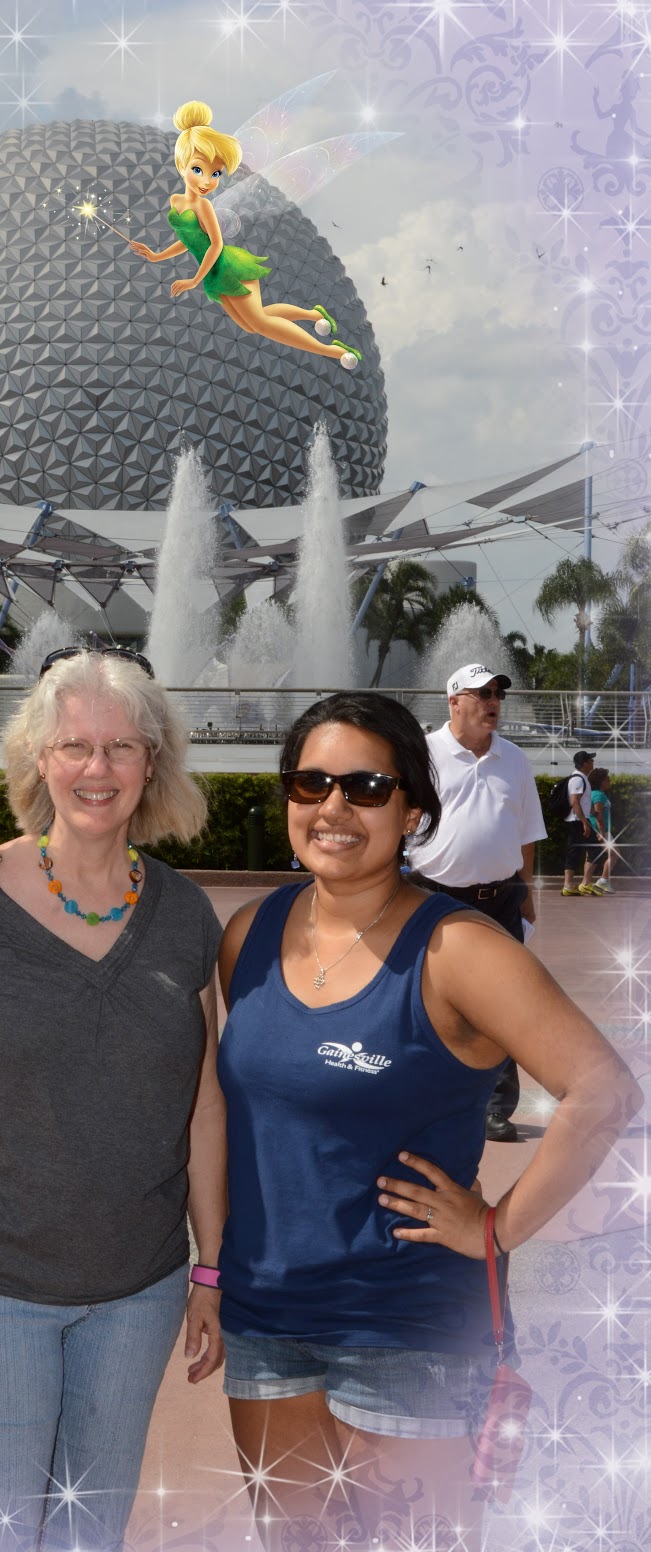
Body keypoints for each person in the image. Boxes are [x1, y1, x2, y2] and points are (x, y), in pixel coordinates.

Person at [216, 691, 638, 1550]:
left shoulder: (457, 949)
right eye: (310, 783)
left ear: (411, 810)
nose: (333, 808)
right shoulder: (249, 935)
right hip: (265, 1317)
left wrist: (496, 1228)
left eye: (366, 787)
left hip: (406, 1326)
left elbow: (602, 1090)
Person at [0, 643, 226, 1552]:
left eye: (122, 747)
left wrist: (208, 1270)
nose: (97, 768)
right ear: (38, 759)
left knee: (90, 1537)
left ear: (151, 764)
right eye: (75, 745)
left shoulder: (183, 914)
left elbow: (202, 1103)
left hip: (139, 1295)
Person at [408, 661, 547, 1143]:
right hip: (433, 897)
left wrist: (526, 894)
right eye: (482, 694)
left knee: (503, 1002)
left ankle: (495, 1107)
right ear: (454, 701)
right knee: (426, 999)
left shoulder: (515, 759)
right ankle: (424, 1098)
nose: (492, 702)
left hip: (501, 899)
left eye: (497, 694)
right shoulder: (423, 755)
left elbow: (527, 835)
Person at [129, 100, 363, 368]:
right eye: (198, 170)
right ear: (182, 165)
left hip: (227, 267)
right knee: (252, 324)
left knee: (260, 323)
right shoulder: (176, 202)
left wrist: (194, 280)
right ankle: (312, 314)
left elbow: (215, 245)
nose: (207, 181)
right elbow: (190, 241)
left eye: (215, 173)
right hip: (213, 275)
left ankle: (333, 351)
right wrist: (157, 256)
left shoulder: (203, 206)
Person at [561, 749, 602, 896]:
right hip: (577, 821)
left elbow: (583, 802)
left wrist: (594, 814)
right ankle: (582, 884)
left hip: (579, 820)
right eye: (591, 760)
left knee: (577, 851)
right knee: (593, 850)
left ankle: (571, 885)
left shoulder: (582, 778)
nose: (593, 762)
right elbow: (575, 802)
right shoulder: (578, 779)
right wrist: (585, 822)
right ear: (584, 763)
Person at [589, 767, 614, 892]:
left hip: (601, 830)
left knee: (591, 857)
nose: (609, 780)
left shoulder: (597, 794)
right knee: (614, 854)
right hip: (602, 831)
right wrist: (602, 833)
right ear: (601, 781)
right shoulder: (598, 795)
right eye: (607, 778)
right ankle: (603, 881)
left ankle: (586, 883)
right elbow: (598, 816)